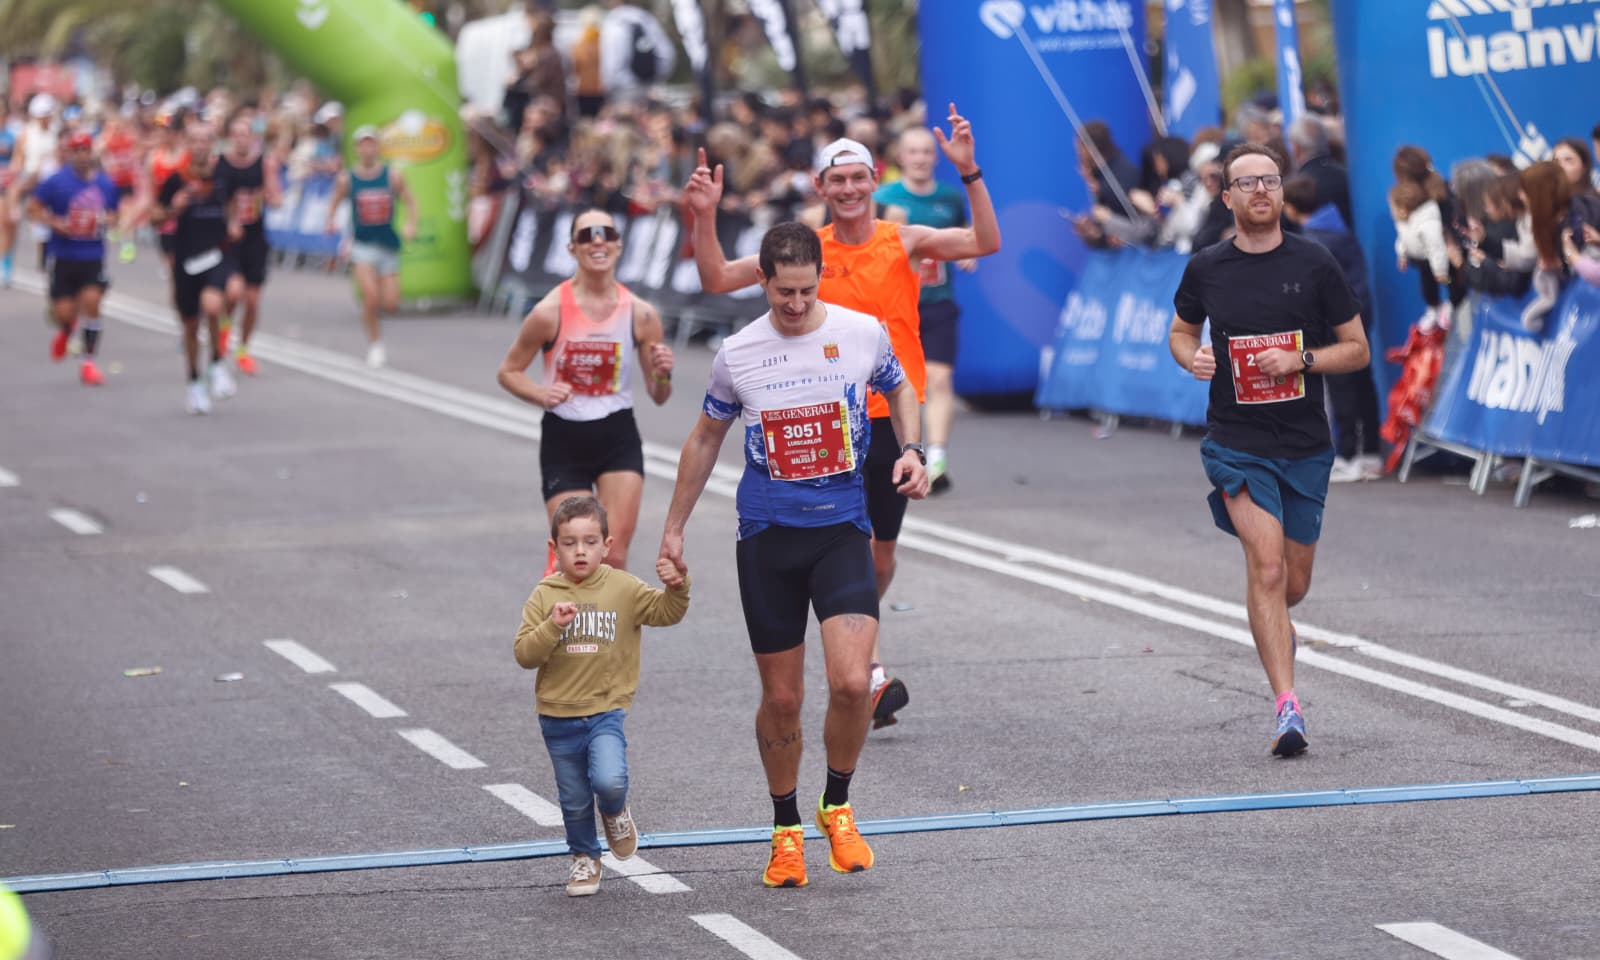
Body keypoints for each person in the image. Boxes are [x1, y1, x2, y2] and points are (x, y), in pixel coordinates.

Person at [685, 103, 1000, 730]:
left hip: (893, 420)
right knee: (843, 543)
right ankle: (869, 670)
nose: (850, 190)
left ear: (873, 181)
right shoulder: (805, 253)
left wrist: (969, 173)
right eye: (838, 181)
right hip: (825, 425)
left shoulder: (902, 240)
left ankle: (852, 636)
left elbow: (985, 242)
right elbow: (718, 277)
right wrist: (704, 215)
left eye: (860, 179)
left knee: (880, 557)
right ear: (821, 188)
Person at [657, 222, 929, 889]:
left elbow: (899, 389)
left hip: (841, 533)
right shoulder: (739, 353)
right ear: (763, 283)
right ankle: (784, 830)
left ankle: (836, 803)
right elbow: (702, 439)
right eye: (784, 294)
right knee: (782, 699)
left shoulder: (861, 332)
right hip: (769, 540)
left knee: (848, 682)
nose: (797, 305)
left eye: (808, 291)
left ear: (820, 278)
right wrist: (673, 529)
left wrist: (915, 451)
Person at [1168, 143, 1370, 758]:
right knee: (1270, 566)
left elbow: (1356, 349)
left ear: (1282, 192)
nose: (1260, 191)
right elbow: (1181, 332)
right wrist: (1193, 358)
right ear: (1225, 197)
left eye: (1270, 180)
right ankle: (1287, 708)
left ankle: (1270, 614)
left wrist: (1300, 360)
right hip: (1236, 443)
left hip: (1306, 445)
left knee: (1293, 584)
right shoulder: (1207, 267)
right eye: (1246, 182)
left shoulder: (1316, 263)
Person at [514, 494, 690, 897]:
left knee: (609, 780)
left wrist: (677, 586)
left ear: (607, 546)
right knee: (574, 798)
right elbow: (524, 654)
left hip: (606, 710)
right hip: (557, 717)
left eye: (590, 542)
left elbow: (666, 612)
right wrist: (552, 627)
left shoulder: (622, 588)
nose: (580, 551)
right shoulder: (545, 594)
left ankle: (614, 811)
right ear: (553, 547)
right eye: (570, 542)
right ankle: (584, 858)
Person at [496, 209, 676, 575]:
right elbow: (508, 371)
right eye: (586, 235)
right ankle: (564, 631)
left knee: (614, 558)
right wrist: (540, 394)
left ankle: (614, 634)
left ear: (619, 244)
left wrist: (662, 374)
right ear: (571, 248)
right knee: (574, 561)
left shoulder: (641, 314)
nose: (598, 241)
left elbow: (659, 394)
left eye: (606, 233)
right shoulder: (549, 312)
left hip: (617, 436)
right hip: (565, 440)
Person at [875, 127, 976, 494]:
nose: (920, 159)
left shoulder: (948, 199)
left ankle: (936, 458)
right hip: (896, 310)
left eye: (926, 153)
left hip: (936, 304)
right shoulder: (884, 198)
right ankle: (901, 454)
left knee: (939, 380)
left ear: (935, 157)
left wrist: (965, 256)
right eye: (913, 152)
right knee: (898, 386)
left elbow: (965, 233)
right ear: (900, 157)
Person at [26, 130, 123, 387]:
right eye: (77, 151)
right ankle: (67, 330)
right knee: (64, 312)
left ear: (92, 153)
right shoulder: (56, 182)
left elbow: (115, 215)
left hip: (92, 254)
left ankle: (88, 362)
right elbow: (33, 208)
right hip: (64, 254)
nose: (82, 155)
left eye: (86, 150)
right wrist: (54, 222)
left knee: (93, 301)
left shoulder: (104, 184)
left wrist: (105, 220)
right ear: (69, 153)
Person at [154, 123, 236, 415]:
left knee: (213, 308)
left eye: (206, 140)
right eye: (195, 141)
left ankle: (216, 361)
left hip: (216, 255)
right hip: (185, 259)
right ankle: (194, 381)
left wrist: (234, 222)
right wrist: (172, 208)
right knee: (190, 325)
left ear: (213, 144)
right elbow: (155, 216)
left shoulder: (222, 177)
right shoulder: (176, 179)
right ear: (188, 144)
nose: (201, 145)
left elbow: (234, 205)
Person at [326, 125, 417, 368]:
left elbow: (410, 201)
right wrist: (331, 222)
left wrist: (410, 224)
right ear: (357, 148)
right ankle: (375, 343)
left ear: (377, 147)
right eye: (363, 144)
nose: (367, 148)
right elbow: (334, 202)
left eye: (371, 143)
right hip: (362, 245)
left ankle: (372, 310)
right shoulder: (348, 178)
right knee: (371, 297)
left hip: (387, 244)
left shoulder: (392, 175)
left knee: (390, 303)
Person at [216, 108, 282, 375]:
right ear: (231, 137)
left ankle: (243, 349)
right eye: (237, 134)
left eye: (246, 134)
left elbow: (275, 195)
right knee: (233, 293)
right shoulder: (220, 163)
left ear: (253, 137)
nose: (242, 139)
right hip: (229, 239)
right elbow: (215, 199)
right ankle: (224, 328)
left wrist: (272, 198)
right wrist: (229, 221)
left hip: (254, 237)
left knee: (253, 300)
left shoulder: (263, 163)